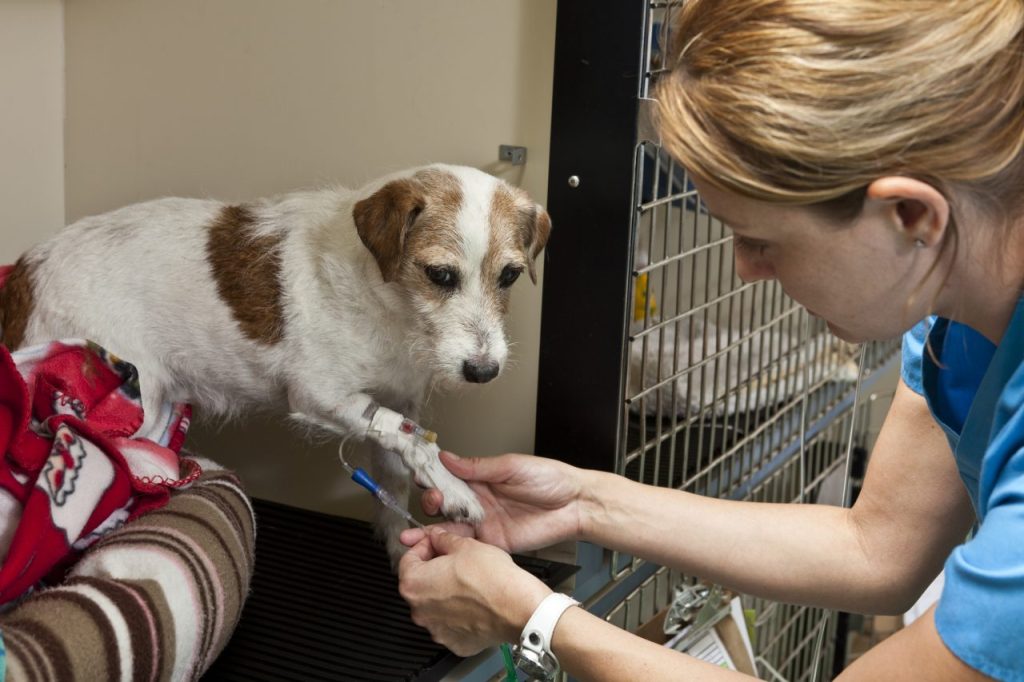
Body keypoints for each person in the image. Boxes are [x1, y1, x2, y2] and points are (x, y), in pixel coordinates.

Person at [397, 1, 1024, 680]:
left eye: (761, 240)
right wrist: (583, 500)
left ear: (910, 215)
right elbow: (877, 547)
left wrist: (534, 617)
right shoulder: (956, 322)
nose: (745, 269)